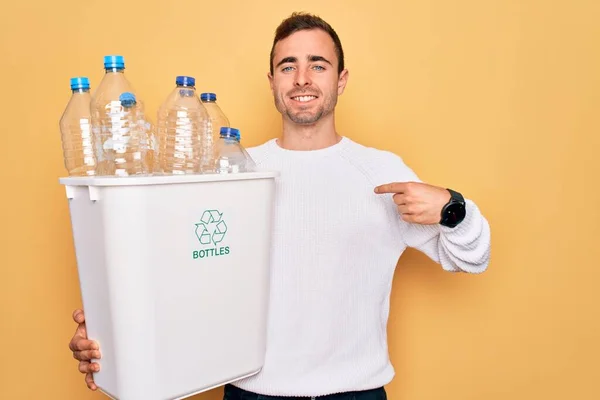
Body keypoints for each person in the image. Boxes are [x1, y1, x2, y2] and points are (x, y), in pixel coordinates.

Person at [68, 11, 491, 400]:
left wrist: (453, 208)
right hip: (250, 391)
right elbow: (177, 277)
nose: (302, 78)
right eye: (288, 66)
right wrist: (110, 327)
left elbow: (473, 259)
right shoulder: (231, 171)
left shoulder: (381, 171)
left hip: (355, 393)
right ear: (271, 80)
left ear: (341, 79)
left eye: (317, 65)